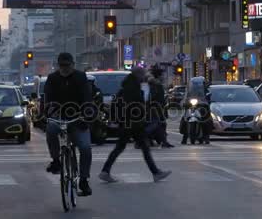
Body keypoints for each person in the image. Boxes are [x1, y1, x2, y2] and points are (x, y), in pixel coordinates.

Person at [98, 67, 171, 183]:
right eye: (142, 74)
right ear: (138, 75)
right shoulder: (133, 87)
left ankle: (105, 171)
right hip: (133, 123)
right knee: (143, 148)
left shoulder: (129, 85)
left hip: (127, 123)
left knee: (122, 148)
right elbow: (135, 105)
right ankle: (156, 173)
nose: (144, 76)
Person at [44, 53, 93, 196]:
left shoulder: (80, 77)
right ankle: (55, 160)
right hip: (59, 117)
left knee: (85, 148)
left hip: (78, 118)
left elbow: (87, 98)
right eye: (62, 66)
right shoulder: (52, 79)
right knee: (50, 130)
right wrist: (47, 114)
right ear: (58, 66)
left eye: (67, 65)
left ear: (73, 64)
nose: (64, 68)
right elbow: (47, 99)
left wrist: (86, 115)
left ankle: (84, 179)